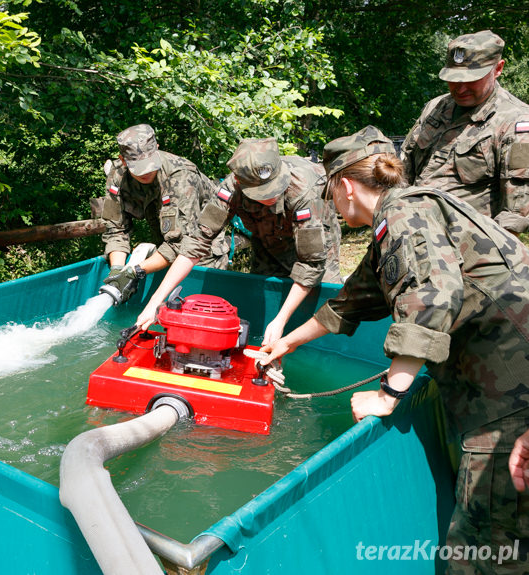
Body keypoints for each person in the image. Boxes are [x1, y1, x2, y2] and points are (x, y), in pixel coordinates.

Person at [261, 125, 529, 573]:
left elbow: (433, 298)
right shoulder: (402, 218)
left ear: (345, 185)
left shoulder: (405, 215)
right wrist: (283, 343)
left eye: (329, 194)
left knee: (486, 550)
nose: (331, 205)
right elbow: (348, 305)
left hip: (509, 399)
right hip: (499, 386)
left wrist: (389, 395)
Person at [136, 137, 342, 344]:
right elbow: (196, 243)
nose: (271, 195)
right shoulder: (230, 189)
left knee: (320, 300)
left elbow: (311, 263)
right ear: (240, 183)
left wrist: (281, 320)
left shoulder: (304, 191)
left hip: (315, 237)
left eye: (274, 186)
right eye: (262, 192)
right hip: (266, 236)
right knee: (263, 295)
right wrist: (156, 300)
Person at [401, 29, 529, 234]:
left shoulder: (518, 123)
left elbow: (515, 213)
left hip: (467, 248)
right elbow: (403, 169)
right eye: (454, 79)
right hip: (412, 232)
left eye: (471, 79)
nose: (460, 88)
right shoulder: (435, 108)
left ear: (498, 69)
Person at [99, 124, 229, 303]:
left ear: (157, 149)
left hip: (202, 253)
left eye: (149, 164)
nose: (146, 172)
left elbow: (183, 243)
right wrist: (117, 271)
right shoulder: (117, 176)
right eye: (138, 166)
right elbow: (116, 230)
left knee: (199, 310)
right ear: (123, 160)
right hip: (165, 249)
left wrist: (134, 271)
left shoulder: (181, 175)